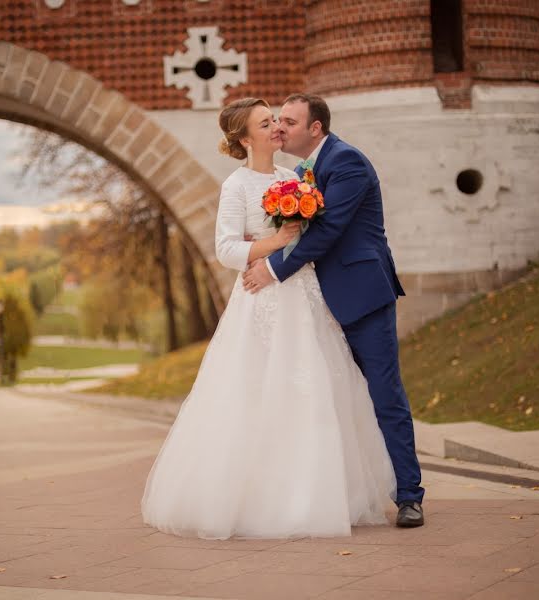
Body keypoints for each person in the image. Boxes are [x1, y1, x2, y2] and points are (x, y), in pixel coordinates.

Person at [141, 98, 397, 539]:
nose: (277, 127)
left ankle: (323, 494)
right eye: (266, 123)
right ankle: (262, 500)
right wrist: (272, 243)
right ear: (245, 138)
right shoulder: (236, 187)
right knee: (260, 392)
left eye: (277, 120)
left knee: (318, 387)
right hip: (262, 298)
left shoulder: (296, 178)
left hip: (305, 295)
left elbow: (318, 234)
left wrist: (286, 246)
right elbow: (225, 249)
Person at [242, 94, 425, 527]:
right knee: (330, 399)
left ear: (316, 128)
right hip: (317, 303)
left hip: (361, 295)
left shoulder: (347, 163)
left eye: (289, 121)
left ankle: (409, 496)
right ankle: (343, 491)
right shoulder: (302, 171)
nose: (280, 128)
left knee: (384, 395)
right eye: (277, 121)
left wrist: (272, 269)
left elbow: (327, 232)